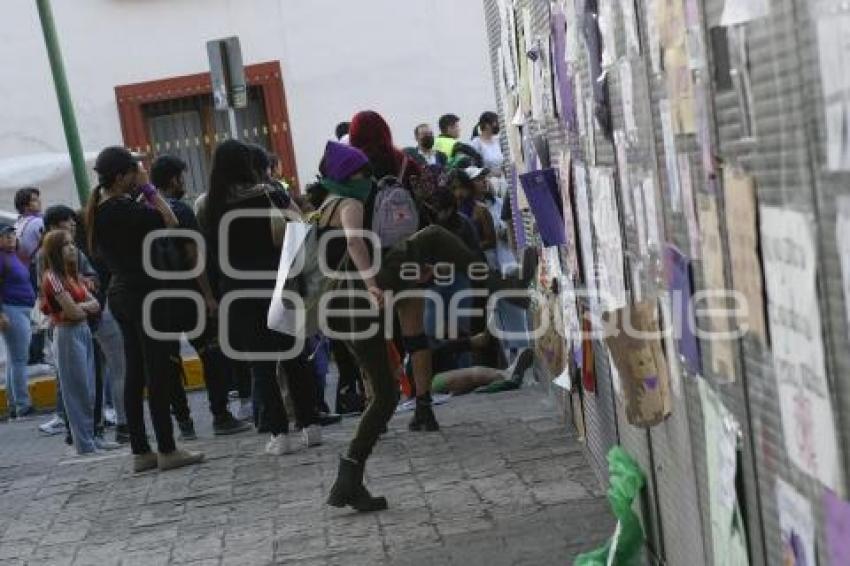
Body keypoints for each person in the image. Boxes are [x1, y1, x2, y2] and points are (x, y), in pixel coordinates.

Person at [315, 141, 536, 511]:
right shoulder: (348, 204)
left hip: (341, 305)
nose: (367, 179)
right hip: (357, 294)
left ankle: (348, 478)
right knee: (433, 237)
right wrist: (373, 283)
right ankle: (504, 287)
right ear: (344, 176)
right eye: (360, 173)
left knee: (384, 397)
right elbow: (355, 242)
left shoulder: (323, 207)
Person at [87, 145, 203, 472]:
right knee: (159, 369)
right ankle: (167, 447)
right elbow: (170, 219)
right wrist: (149, 188)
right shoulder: (127, 209)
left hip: (121, 293)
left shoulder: (99, 209)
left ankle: (141, 451)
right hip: (145, 294)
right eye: (135, 170)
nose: (140, 174)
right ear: (122, 175)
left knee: (135, 373)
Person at [205, 139, 321, 456]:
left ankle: (279, 434)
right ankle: (311, 426)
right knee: (294, 357)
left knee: (261, 365)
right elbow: (301, 227)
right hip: (279, 285)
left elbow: (211, 257)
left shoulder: (211, 206)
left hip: (239, 291)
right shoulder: (272, 194)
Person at [150, 154, 251, 437]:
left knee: (169, 361)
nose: (183, 183)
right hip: (189, 294)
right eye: (181, 177)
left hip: (159, 297)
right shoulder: (180, 211)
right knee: (211, 353)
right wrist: (208, 295)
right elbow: (194, 254)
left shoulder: (145, 210)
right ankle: (220, 414)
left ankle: (183, 422)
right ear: (174, 179)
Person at [40, 229, 120, 455]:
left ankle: (93, 436)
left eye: (72, 244)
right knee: (77, 392)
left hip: (82, 331)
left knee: (90, 390)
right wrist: (79, 309)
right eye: (66, 245)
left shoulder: (72, 275)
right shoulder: (53, 277)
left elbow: (93, 305)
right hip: (67, 335)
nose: (72, 248)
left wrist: (78, 309)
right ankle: (84, 443)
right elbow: (76, 311)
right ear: (55, 251)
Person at [0, 223, 36, 420]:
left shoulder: (12, 256)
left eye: (12, 235)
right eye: (5, 236)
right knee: (20, 359)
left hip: (21, 309)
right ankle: (23, 405)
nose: (10, 238)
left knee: (15, 360)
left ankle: (15, 404)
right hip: (11, 309)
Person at [13, 187, 47, 366]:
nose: (39, 202)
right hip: (37, 269)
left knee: (33, 314)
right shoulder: (37, 223)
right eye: (35, 200)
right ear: (26, 206)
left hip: (22, 272)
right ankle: (36, 354)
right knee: (40, 313)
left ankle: (32, 353)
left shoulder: (18, 223)